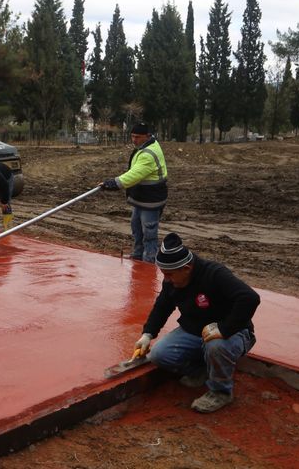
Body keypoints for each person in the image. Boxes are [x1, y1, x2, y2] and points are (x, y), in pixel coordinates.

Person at [132, 233, 260, 413]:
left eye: (169, 274)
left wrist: (224, 329)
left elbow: (249, 298)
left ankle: (220, 392)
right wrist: (147, 334)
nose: (166, 279)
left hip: (234, 332)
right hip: (195, 330)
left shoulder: (214, 274)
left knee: (216, 346)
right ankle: (201, 371)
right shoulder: (172, 280)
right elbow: (162, 306)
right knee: (159, 354)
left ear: (186, 268)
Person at [100, 122, 168, 262]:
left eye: (137, 137)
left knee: (149, 233)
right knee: (136, 228)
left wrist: (114, 183)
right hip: (142, 198)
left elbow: (134, 175)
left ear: (147, 136)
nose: (134, 140)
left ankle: (149, 261)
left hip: (151, 200)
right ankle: (137, 255)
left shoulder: (149, 154)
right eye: (132, 136)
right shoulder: (146, 146)